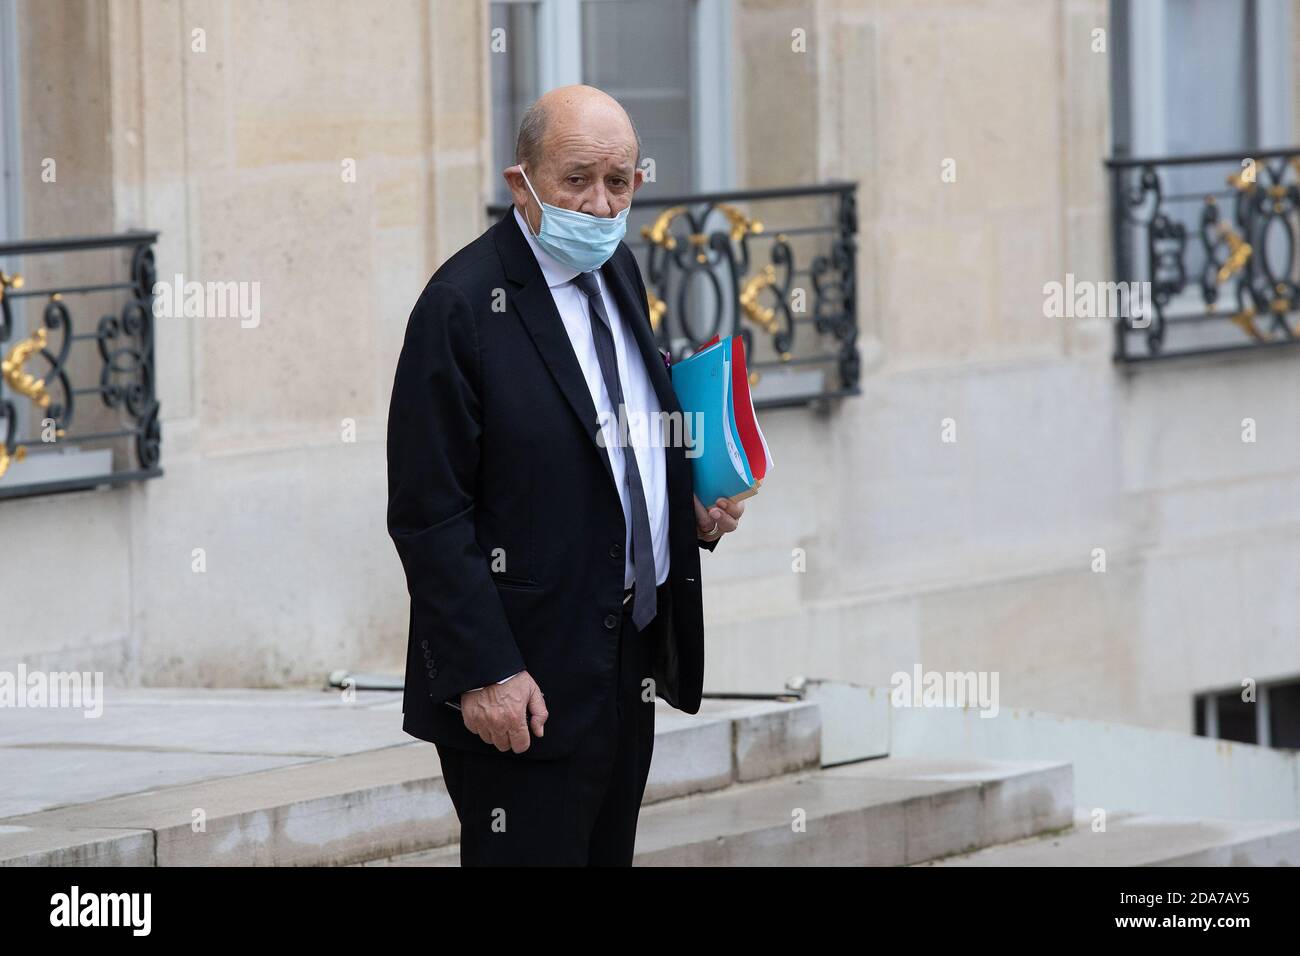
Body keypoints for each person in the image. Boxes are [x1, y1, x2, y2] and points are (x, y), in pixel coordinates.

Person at [385, 84, 743, 866]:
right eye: (576, 179)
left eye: (619, 182)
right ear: (523, 183)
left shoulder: (619, 275)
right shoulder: (460, 307)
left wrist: (684, 510)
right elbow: (428, 513)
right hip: (523, 684)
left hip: (624, 662)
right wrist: (486, 672)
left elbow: (609, 445)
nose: (599, 203)